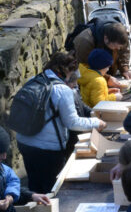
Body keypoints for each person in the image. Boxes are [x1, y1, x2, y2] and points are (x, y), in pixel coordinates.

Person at [16, 52, 106, 193]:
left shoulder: (34, 80)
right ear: (66, 71)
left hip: (24, 142)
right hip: (48, 149)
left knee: (34, 184)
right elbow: (73, 122)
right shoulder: (62, 90)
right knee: (51, 189)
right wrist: (96, 122)